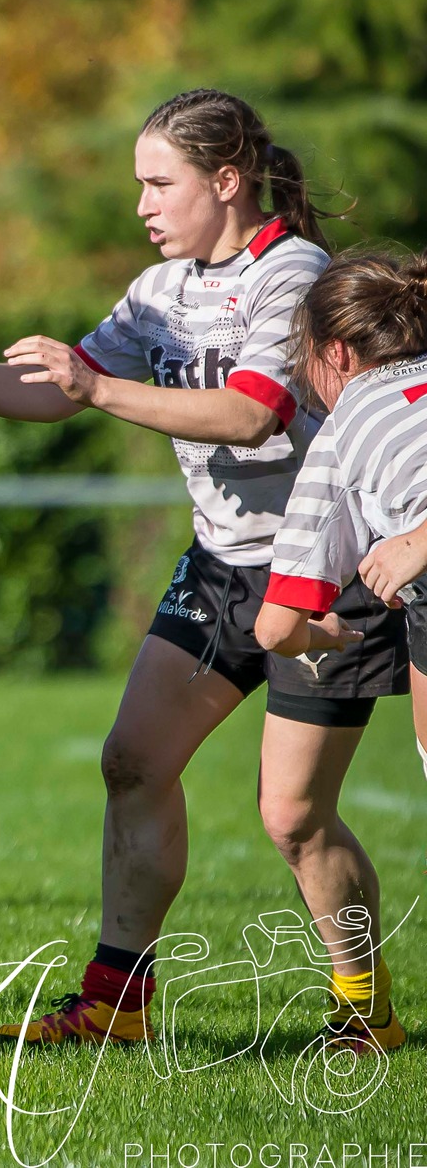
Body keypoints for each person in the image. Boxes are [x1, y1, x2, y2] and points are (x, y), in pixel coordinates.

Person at [0, 88, 409, 1046]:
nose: (141, 204)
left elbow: (251, 411)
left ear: (226, 181)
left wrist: (97, 388)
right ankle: (116, 1003)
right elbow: (58, 391)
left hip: (325, 572)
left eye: (158, 183)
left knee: (293, 817)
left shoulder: (295, 273)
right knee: (133, 761)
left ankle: (366, 1012)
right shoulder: (158, 290)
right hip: (221, 569)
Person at [252, 248, 427, 1052]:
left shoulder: (348, 423)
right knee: (292, 806)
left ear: (335, 352)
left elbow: (275, 626)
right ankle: (366, 1011)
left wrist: (415, 540)